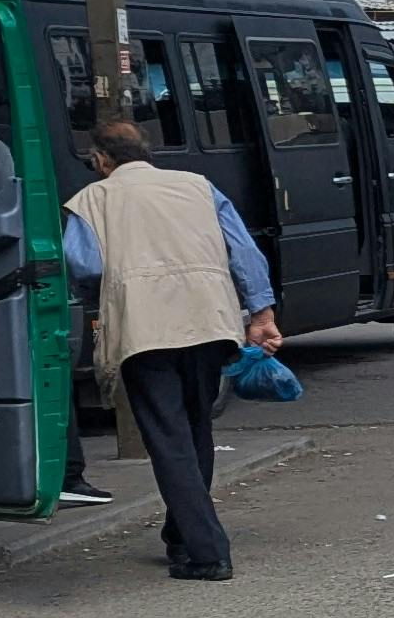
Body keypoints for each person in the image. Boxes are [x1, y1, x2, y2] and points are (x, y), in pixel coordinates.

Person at [61, 119, 276, 581]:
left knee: (168, 439)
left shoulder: (91, 200)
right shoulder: (198, 186)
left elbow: (85, 264)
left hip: (145, 326)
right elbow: (243, 251)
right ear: (147, 152)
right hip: (210, 318)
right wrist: (261, 314)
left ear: (100, 160)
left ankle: (207, 550)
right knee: (196, 430)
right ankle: (182, 537)